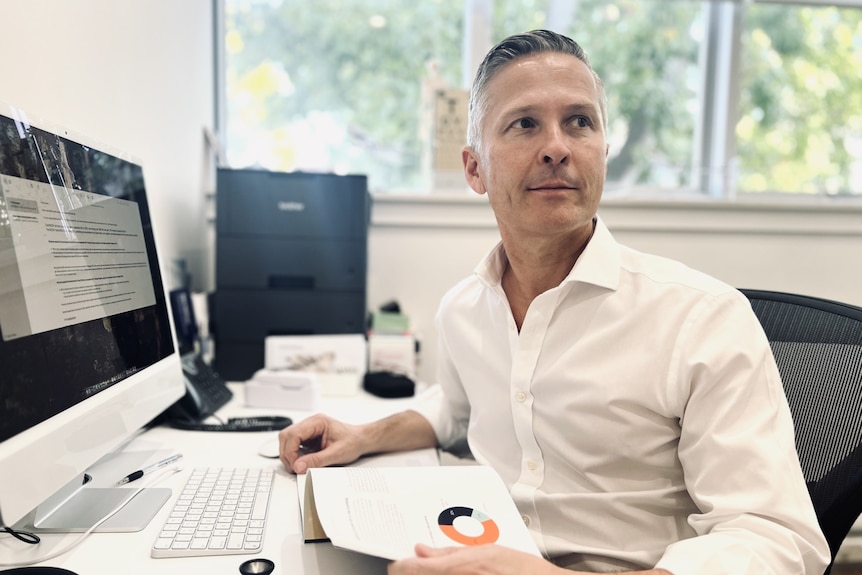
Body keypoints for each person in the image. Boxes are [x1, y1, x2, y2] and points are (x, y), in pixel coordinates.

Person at [278, 30, 830, 574]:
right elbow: (455, 408)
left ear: (603, 153)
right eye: (525, 124)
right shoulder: (464, 311)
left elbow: (776, 540)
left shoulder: (702, 317)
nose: (557, 147)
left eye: (579, 122)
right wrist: (364, 435)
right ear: (474, 169)